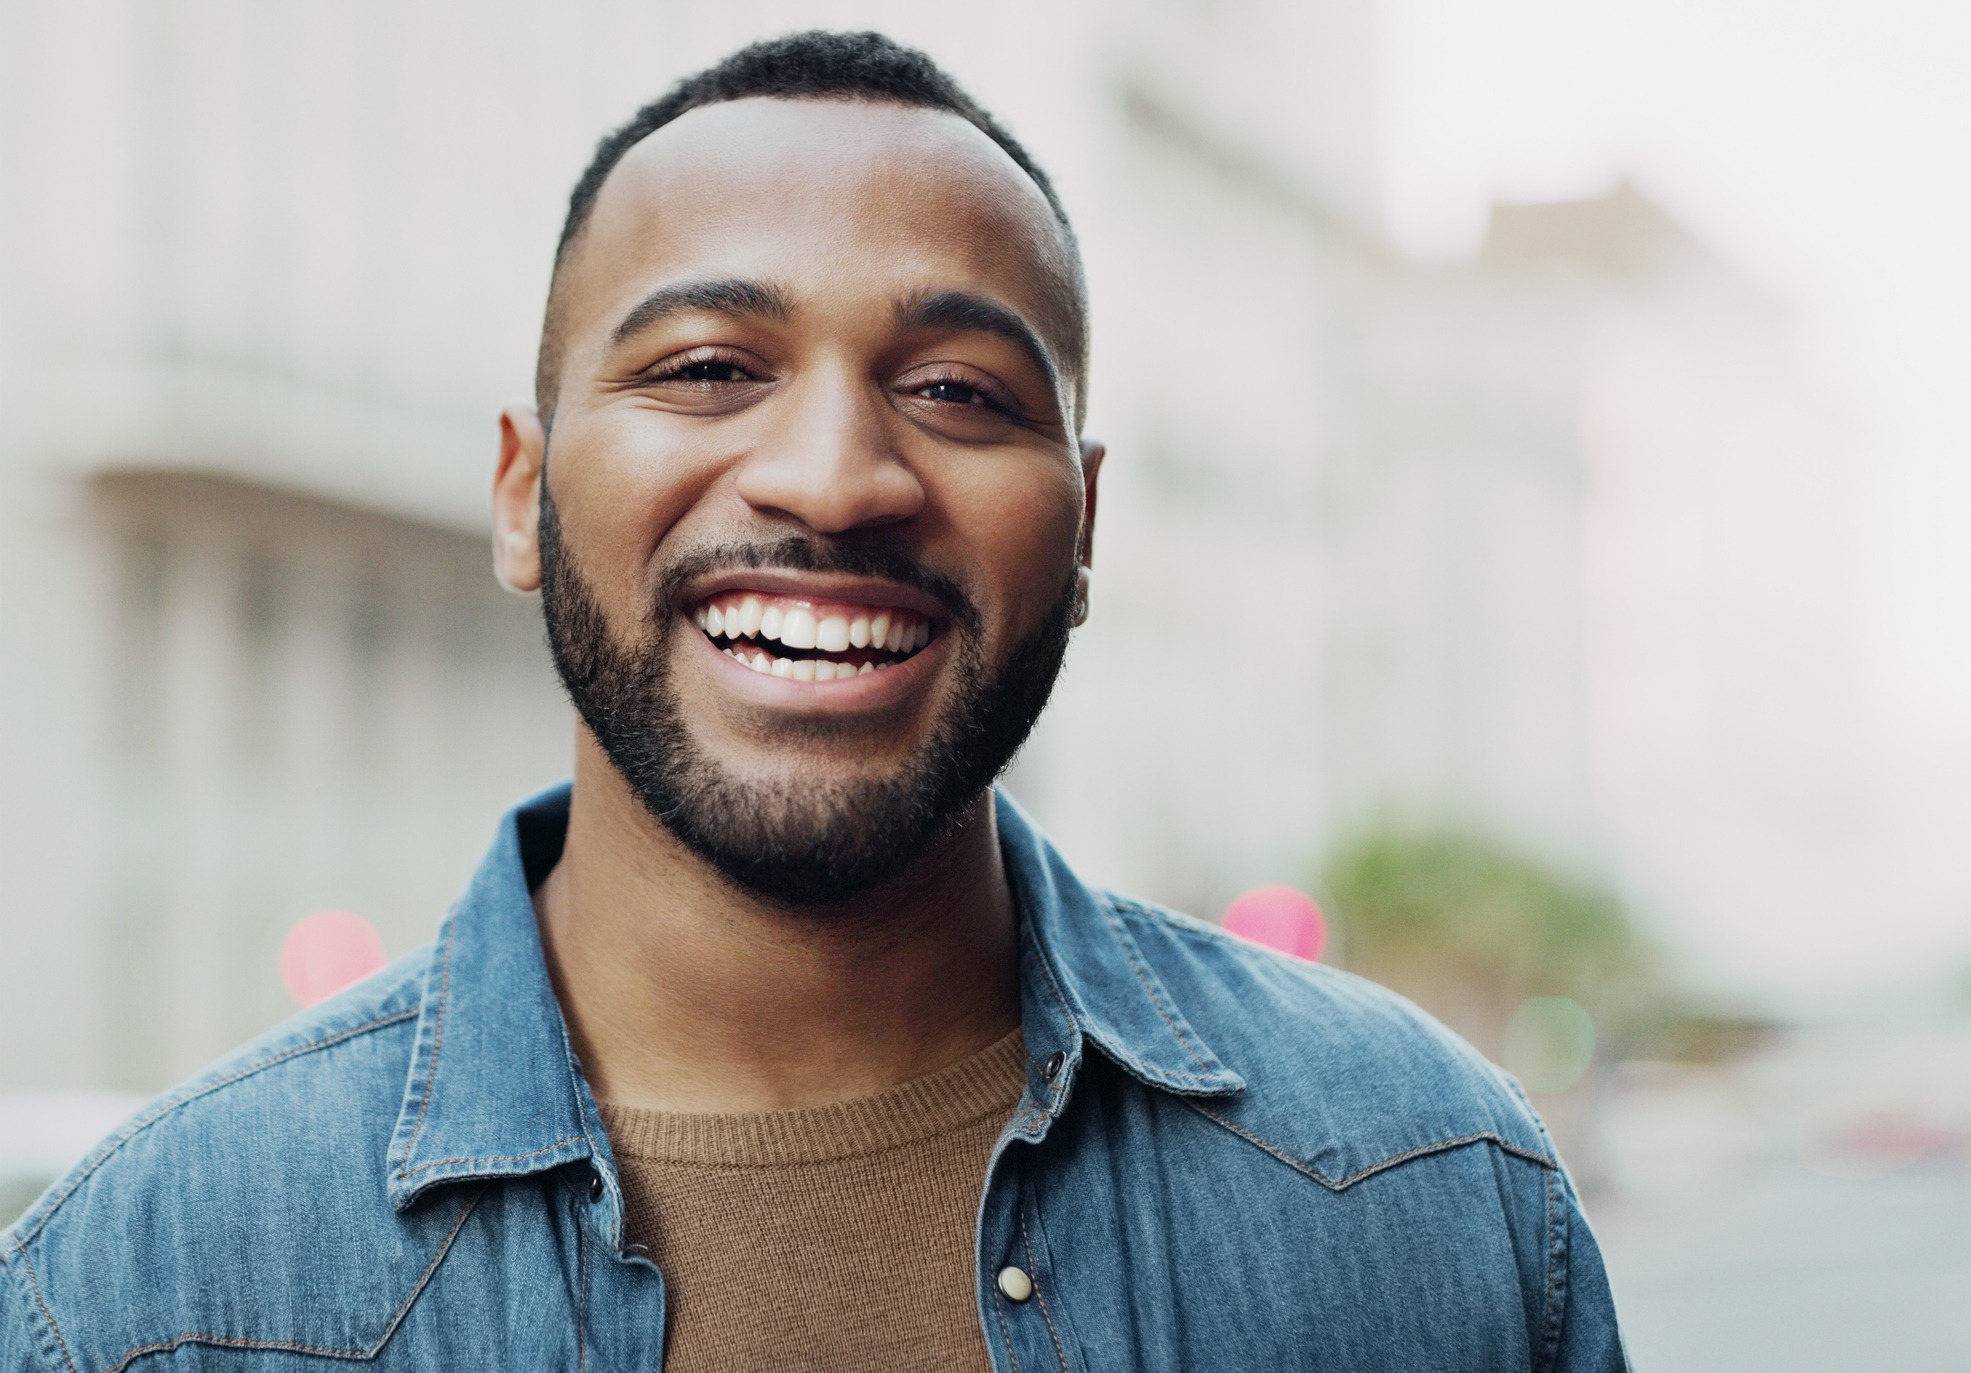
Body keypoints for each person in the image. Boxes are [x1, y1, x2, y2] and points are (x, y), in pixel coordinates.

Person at [2, 31, 1626, 1372]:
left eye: (956, 393)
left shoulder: (1435, 1196)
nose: (836, 479)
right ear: (522, 495)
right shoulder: (140, 1302)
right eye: (708, 367)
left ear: (1083, 527)